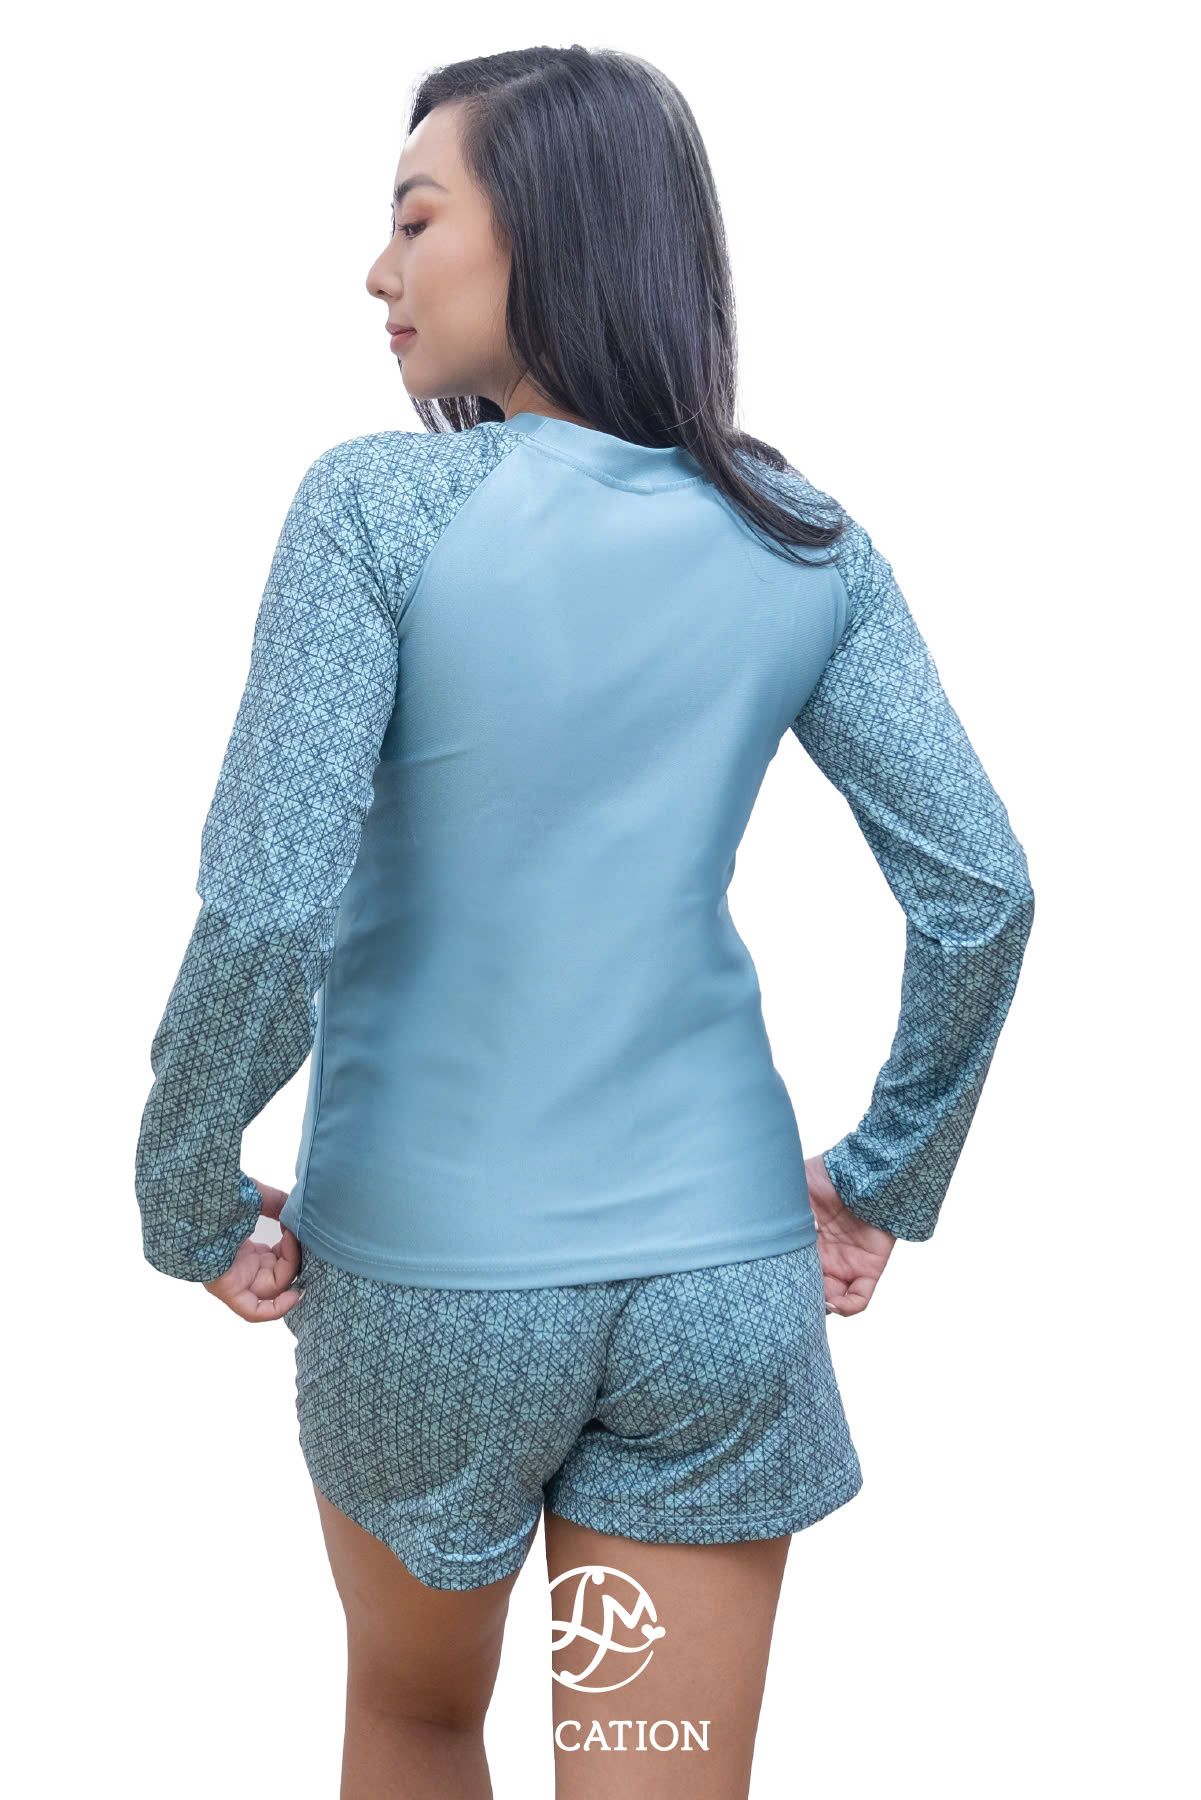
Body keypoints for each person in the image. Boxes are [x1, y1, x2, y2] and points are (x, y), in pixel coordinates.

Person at [133, 44, 1035, 1800]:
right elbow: (982, 891)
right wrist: (884, 1175)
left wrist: (185, 1196)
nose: (379, 272)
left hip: (426, 1281)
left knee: (417, 1722)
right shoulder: (804, 542)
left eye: (415, 218)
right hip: (722, 1283)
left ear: (545, 230)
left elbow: (263, 903)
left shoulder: (376, 509)